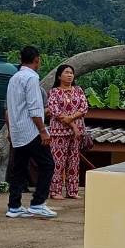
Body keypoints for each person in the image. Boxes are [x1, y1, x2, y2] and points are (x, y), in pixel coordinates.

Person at [5, 46, 56, 219]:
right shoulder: (31, 78)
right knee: (48, 165)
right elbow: (34, 108)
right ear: (37, 59)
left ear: (21, 59)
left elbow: (9, 108)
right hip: (31, 130)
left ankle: (14, 206)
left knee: (18, 169)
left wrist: (11, 130)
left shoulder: (14, 78)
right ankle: (38, 203)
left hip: (17, 130)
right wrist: (43, 130)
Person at [46, 65, 89, 199]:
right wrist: (73, 125)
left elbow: (84, 107)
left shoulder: (79, 90)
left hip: (76, 133)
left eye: (71, 73)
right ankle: (55, 191)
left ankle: (72, 191)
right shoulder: (53, 92)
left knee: (74, 161)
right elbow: (55, 111)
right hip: (59, 132)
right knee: (58, 162)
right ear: (59, 76)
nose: (70, 75)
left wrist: (71, 118)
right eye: (66, 73)